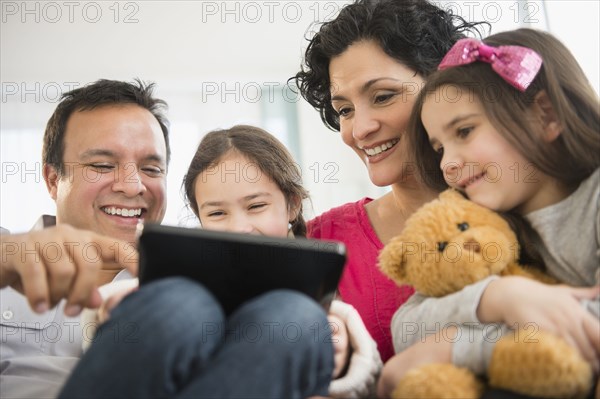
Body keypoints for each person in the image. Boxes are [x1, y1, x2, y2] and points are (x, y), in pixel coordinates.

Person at [58, 125, 381, 398]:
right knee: (179, 303)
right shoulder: (172, 290)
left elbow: (362, 374)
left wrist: (342, 354)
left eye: (256, 206)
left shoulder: (327, 302)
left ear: (292, 205)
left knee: (293, 313)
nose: (239, 226)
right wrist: (122, 311)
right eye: (217, 213)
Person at [378, 28, 600, 396]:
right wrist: (499, 297)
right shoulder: (478, 224)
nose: (447, 164)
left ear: (545, 115)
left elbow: (589, 331)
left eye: (463, 131)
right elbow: (407, 326)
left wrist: (452, 347)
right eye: (438, 149)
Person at [293, 0, 485, 363]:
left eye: (382, 97)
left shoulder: (514, 206)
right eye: (344, 110)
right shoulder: (320, 244)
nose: (359, 129)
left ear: (445, 86)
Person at [0, 79, 171, 398]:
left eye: (151, 169)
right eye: (103, 165)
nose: (133, 186)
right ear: (53, 180)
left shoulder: (189, 285)